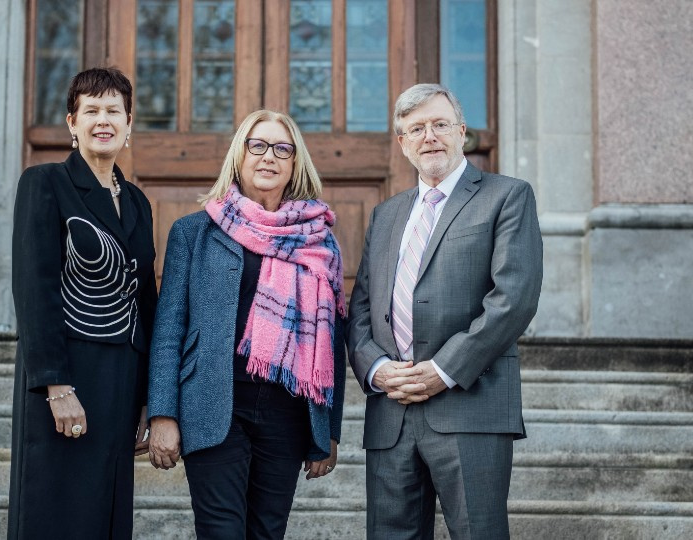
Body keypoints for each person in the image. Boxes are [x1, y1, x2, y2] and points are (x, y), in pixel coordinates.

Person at [346, 83, 543, 539]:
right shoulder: (386, 214)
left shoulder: (506, 196)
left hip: (470, 404)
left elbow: (514, 298)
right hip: (391, 412)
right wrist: (376, 369)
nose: (429, 136)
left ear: (461, 132)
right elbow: (360, 309)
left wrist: (444, 369)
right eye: (416, 128)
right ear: (402, 143)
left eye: (439, 124)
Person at [147, 110, 347, 539]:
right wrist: (163, 412)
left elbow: (333, 339)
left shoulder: (319, 241)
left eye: (282, 148)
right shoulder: (194, 232)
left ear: (295, 163)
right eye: (257, 146)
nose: (268, 157)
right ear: (239, 156)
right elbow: (169, 330)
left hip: (288, 413)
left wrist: (327, 429)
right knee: (221, 532)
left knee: (267, 533)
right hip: (214, 406)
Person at [8, 67, 157, 539]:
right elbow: (35, 288)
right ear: (72, 123)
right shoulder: (44, 183)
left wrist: (147, 402)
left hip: (121, 385)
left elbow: (145, 301)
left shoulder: (136, 202)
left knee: (106, 519)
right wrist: (56, 386)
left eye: (114, 110)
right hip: (66, 379)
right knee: (57, 514)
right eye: (91, 110)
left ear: (129, 124)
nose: (103, 120)